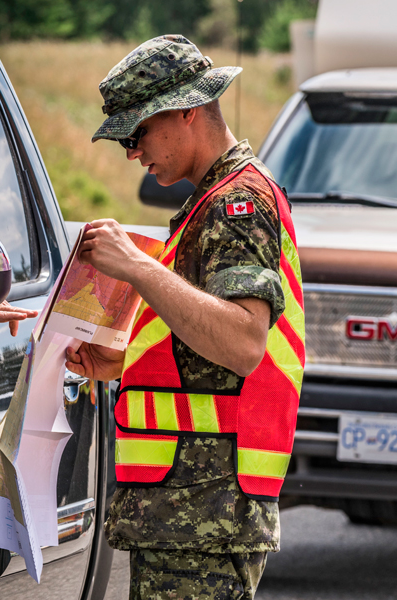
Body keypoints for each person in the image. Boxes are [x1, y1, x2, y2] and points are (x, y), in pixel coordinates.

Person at [65, 35, 305, 600]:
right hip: (193, 507)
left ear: (187, 110)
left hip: (206, 509)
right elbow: (205, 347)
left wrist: (137, 269)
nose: (131, 151)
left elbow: (245, 342)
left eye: (137, 131)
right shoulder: (214, 200)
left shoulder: (236, 202)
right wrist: (121, 362)